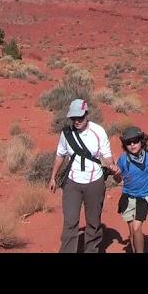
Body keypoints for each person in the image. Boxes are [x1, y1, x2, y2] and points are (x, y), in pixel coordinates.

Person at [48, 98, 118, 253]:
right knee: (70, 222)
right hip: (72, 183)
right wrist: (53, 176)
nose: (77, 121)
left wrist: (109, 164)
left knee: (93, 223)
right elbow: (60, 155)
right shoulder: (67, 133)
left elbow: (107, 156)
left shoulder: (98, 131)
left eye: (80, 117)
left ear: (87, 114)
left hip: (94, 182)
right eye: (73, 118)